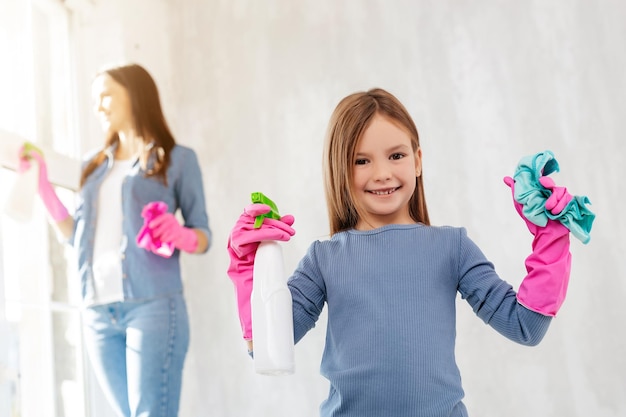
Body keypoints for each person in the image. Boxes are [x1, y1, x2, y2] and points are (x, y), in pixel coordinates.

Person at [226, 88, 593, 416]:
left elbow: (525, 326)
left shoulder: (453, 247)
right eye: (361, 160)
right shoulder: (324, 258)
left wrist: (551, 236)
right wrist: (249, 267)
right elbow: (267, 347)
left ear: (418, 160)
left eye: (396, 155)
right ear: (339, 169)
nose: (383, 172)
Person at [19, 63, 211, 417]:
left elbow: (203, 236)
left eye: (106, 95)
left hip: (152, 306)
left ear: (134, 94)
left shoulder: (178, 160)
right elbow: (76, 238)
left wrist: (179, 233)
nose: (99, 107)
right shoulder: (92, 166)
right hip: (96, 309)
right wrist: (44, 189)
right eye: (95, 99)